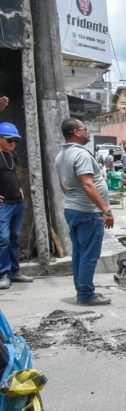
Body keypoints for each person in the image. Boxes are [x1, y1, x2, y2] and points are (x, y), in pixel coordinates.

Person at [56, 118, 114, 305]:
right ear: (75, 132)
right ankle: (86, 295)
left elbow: (64, 186)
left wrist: (75, 200)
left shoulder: (60, 156)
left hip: (72, 209)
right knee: (89, 254)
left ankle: (81, 290)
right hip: (87, 212)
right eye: (84, 128)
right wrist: (105, 209)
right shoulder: (80, 155)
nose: (87, 131)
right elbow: (87, 184)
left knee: (80, 253)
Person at [0, 122, 33, 289]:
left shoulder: (12, 156)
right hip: (3, 205)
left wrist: (19, 188)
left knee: (13, 238)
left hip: (16, 203)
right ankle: (3, 273)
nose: (12, 143)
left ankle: (14, 271)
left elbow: (13, 175)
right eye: (9, 140)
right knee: (3, 238)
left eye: (15, 141)